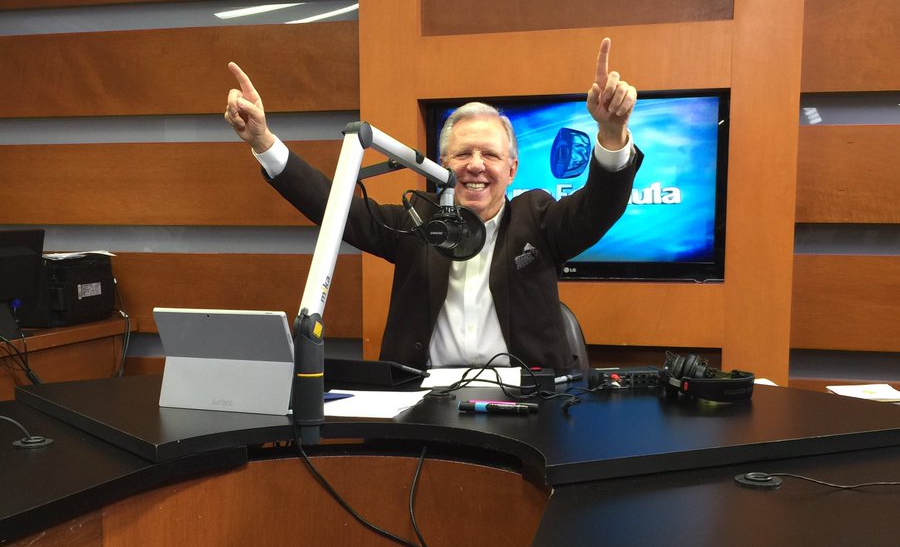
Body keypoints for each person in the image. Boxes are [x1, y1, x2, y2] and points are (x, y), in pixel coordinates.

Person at [224, 38, 641, 370]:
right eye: (463, 154)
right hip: (425, 400)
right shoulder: (418, 220)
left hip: (525, 402)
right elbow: (337, 210)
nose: (475, 165)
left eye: (490, 155)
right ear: (443, 165)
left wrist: (611, 133)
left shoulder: (538, 218)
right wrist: (264, 142)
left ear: (512, 169)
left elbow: (599, 208)